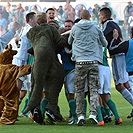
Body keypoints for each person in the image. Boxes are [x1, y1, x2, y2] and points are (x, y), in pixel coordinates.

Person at [22, 13, 68, 124]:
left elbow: (35, 46)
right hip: (50, 59)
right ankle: (51, 107)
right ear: (46, 20)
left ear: (37, 22)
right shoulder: (51, 29)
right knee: (58, 75)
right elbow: (60, 42)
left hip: (37, 61)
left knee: (36, 84)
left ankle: (35, 107)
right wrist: (68, 38)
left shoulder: (31, 32)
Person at [68, 10, 107, 126]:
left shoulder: (75, 28)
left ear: (80, 17)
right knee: (93, 89)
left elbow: (70, 41)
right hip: (93, 61)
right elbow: (104, 43)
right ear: (90, 17)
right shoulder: (96, 28)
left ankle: (80, 115)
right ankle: (93, 114)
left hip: (80, 62)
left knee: (79, 90)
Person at [99, 7, 133, 122]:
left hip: (117, 56)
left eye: (99, 16)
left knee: (119, 86)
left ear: (103, 16)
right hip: (119, 56)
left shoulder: (108, 24)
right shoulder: (114, 24)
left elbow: (102, 36)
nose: (99, 18)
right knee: (126, 84)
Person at [0, 44, 31, 125]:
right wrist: (31, 67)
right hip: (8, 89)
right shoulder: (11, 68)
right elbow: (23, 69)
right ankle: (6, 119)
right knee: (11, 103)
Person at [12, 12, 36, 115]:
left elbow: (18, 40)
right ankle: (11, 110)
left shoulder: (25, 28)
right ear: (31, 20)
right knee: (18, 89)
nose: (37, 21)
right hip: (21, 61)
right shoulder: (30, 29)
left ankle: (22, 111)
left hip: (23, 60)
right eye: (35, 19)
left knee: (26, 89)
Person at [110, 27, 133, 119]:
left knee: (121, 87)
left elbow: (112, 50)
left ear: (131, 33)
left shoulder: (128, 43)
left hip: (130, 73)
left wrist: (114, 38)